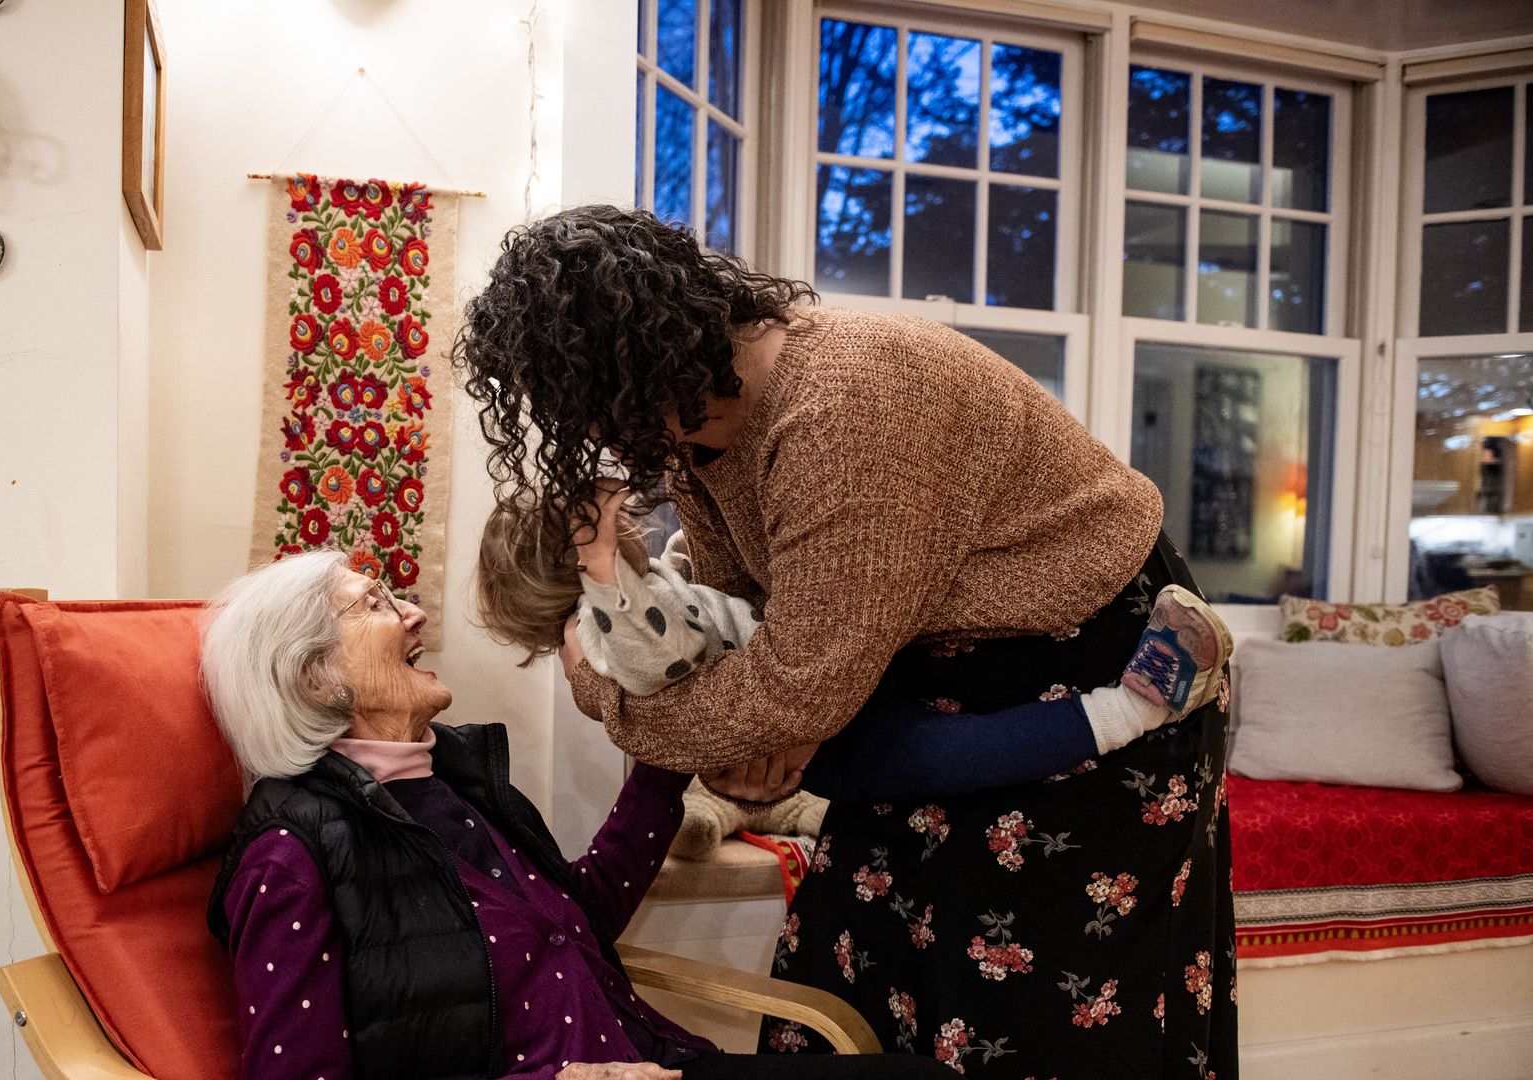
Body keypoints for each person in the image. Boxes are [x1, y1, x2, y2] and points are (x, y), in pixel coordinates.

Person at [452, 205, 1238, 1078]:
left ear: (631, 367)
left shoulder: (845, 405)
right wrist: (753, 731)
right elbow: (746, 616)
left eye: (581, 403)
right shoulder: (699, 432)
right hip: (909, 675)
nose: (591, 437)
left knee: (1032, 1009)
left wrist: (607, 692)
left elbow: (793, 686)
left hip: (1079, 661)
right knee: (866, 965)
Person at [200, 551, 957, 1080]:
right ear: (313, 672)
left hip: (655, 1058)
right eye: (374, 603)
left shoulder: (453, 782)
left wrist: (668, 756)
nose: (414, 611)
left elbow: (581, 915)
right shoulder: (289, 852)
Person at [473, 486, 1231, 803]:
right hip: (827, 741)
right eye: (602, 538)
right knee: (947, 754)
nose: (621, 521)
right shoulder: (601, 631)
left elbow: (687, 611)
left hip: (815, 691)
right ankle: (1139, 707)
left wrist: (647, 566)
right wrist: (604, 568)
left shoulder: (624, 600)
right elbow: (657, 656)